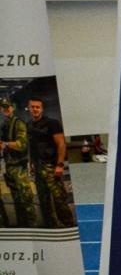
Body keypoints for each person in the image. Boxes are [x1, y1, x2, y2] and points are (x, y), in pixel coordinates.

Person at [26, 96, 74, 227]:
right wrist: (30, 163)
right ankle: (51, 226)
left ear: (42, 109)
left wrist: (60, 164)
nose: (35, 109)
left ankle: (68, 225)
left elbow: (61, 144)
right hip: (38, 167)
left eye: (37, 107)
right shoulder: (29, 125)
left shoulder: (52, 123)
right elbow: (31, 146)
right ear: (29, 108)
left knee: (59, 199)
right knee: (43, 199)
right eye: (32, 107)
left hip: (51, 167)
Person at [0, 97, 40, 228]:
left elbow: (22, 145)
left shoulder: (18, 123)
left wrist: (5, 144)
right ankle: (22, 227)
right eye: (3, 107)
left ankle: (33, 227)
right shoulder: (5, 125)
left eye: (8, 107)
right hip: (9, 167)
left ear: (12, 108)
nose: (6, 109)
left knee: (26, 199)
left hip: (19, 167)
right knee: (17, 200)